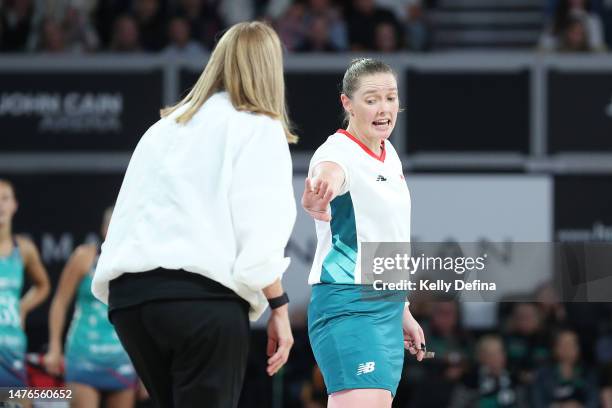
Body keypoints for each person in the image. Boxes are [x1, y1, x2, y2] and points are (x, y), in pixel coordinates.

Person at [91, 21, 297, 408]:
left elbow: (126, 217)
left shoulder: (165, 126)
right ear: (271, 70)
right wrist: (279, 307)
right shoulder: (259, 127)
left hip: (131, 303)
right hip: (202, 302)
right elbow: (259, 239)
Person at [301, 58, 425, 408]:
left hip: (385, 309)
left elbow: (385, 236)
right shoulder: (336, 153)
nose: (384, 108)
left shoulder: (388, 153)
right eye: (371, 99)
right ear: (347, 104)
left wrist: (402, 310)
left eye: (390, 98)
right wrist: (319, 193)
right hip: (349, 304)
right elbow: (328, 175)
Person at [45, 207, 137, 408]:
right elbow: (60, 302)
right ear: (104, 229)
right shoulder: (84, 256)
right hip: (83, 354)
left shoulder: (137, 262)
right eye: (112, 225)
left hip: (122, 358)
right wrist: (54, 346)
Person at [0, 179, 50, 387]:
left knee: (19, 400)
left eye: (5, 198)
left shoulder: (25, 249)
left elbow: (43, 285)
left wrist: (22, 307)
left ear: (14, 205)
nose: (0, 205)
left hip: (12, 348)